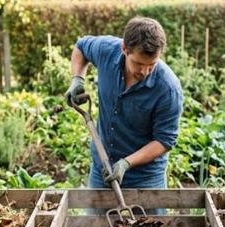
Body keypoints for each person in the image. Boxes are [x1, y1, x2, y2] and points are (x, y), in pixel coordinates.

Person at [65, 17, 184, 197]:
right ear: (124, 49)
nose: (144, 72)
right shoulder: (107, 50)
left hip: (145, 178)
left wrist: (126, 163)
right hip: (102, 168)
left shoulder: (168, 89)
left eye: (151, 65)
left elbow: (164, 140)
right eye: (138, 64)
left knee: (150, 225)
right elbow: (81, 47)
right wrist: (77, 79)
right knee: (93, 225)